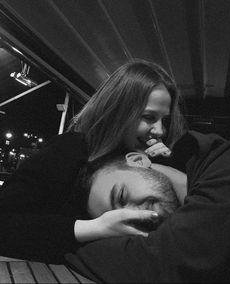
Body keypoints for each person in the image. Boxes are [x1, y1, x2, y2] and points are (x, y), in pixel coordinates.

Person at [0, 59, 186, 262]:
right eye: (149, 117)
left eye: (164, 120)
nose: (160, 131)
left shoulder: (144, 160)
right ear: (119, 112)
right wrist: (94, 228)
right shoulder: (69, 150)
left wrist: (161, 168)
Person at [65, 130, 230, 283]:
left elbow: (165, 265)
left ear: (138, 160)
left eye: (122, 196)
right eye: (121, 219)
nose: (135, 215)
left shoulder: (226, 165)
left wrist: (67, 246)